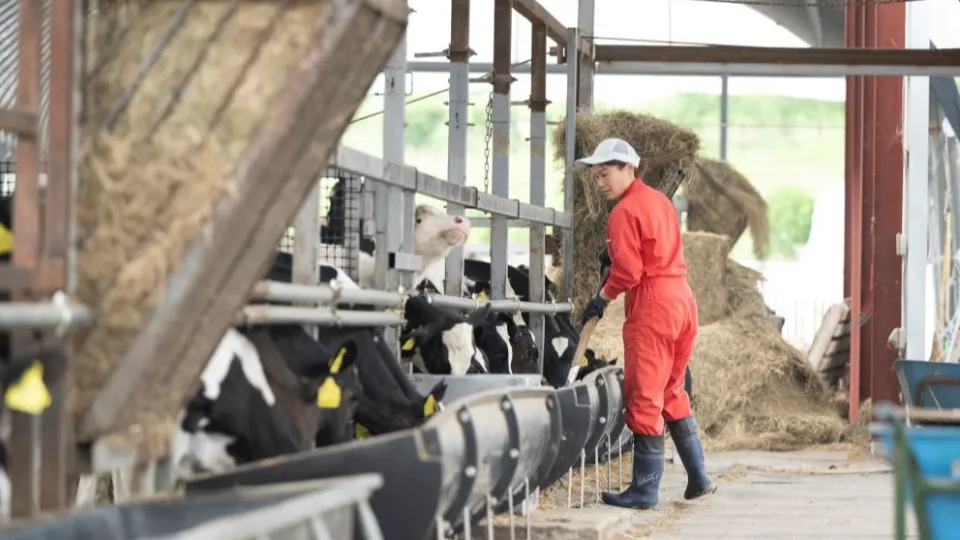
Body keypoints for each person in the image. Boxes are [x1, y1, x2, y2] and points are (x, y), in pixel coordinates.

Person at [576, 137, 715, 510]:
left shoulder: (622, 212)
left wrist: (601, 298)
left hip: (653, 305)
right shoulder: (660, 202)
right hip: (682, 299)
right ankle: (699, 477)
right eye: (597, 176)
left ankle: (644, 491)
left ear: (628, 168)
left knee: (644, 395)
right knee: (672, 389)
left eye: (606, 174)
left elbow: (630, 272)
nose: (601, 182)